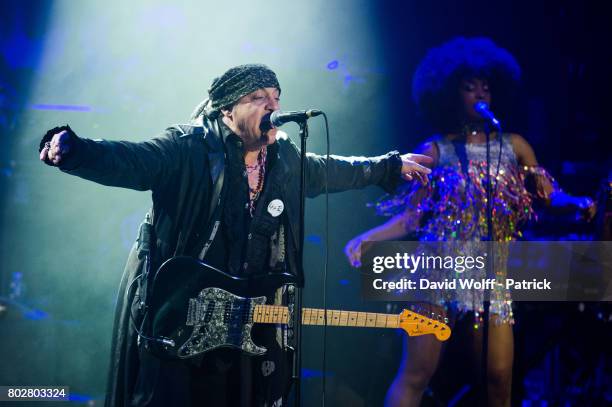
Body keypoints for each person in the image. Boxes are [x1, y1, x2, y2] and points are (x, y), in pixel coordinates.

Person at [39, 64, 432, 407]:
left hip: (246, 320)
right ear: (228, 107)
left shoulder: (283, 159)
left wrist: (388, 166)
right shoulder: (188, 147)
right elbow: (131, 160)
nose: (273, 107)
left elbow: (333, 169)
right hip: (181, 315)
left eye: (276, 97)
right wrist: (76, 151)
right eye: (259, 97)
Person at [344, 38, 596, 407]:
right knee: (416, 374)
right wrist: (370, 237)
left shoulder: (515, 146)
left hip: (491, 273)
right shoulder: (435, 150)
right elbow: (413, 215)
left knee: (497, 378)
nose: (481, 92)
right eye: (469, 86)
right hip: (438, 267)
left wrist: (577, 203)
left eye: (486, 86)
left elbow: (547, 194)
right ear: (448, 92)